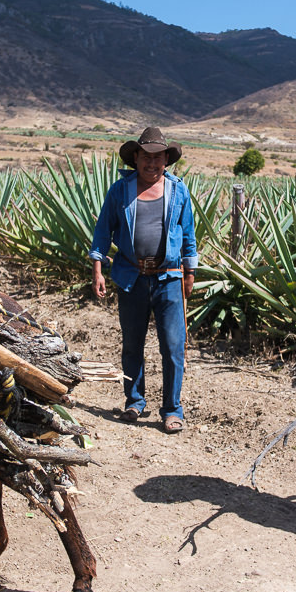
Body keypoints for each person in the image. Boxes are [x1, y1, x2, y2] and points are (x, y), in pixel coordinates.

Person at [89, 126, 197, 434]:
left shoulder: (178, 191)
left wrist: (190, 273)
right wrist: (97, 268)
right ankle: (135, 402)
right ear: (136, 158)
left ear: (167, 159)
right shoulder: (120, 191)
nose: (152, 163)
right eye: (146, 156)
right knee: (132, 344)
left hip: (169, 278)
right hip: (131, 277)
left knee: (173, 346)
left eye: (158, 157)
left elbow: (188, 234)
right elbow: (102, 231)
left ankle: (172, 409)